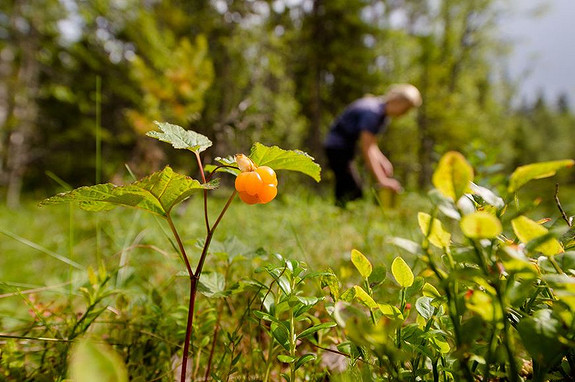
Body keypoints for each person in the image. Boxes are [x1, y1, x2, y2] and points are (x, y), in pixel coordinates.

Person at [324, 84, 422, 206]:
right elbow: (367, 148)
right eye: (406, 109)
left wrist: (382, 161)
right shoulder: (373, 113)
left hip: (342, 148)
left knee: (346, 186)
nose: (404, 114)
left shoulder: (380, 112)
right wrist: (382, 180)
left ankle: (340, 214)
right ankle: (341, 216)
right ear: (397, 102)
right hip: (337, 147)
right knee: (352, 189)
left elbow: (372, 144)